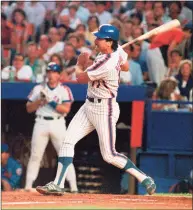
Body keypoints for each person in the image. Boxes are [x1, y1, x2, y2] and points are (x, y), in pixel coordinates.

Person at [36, 24, 156, 196]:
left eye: (100, 38)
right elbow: (126, 66)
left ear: (109, 42)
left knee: (109, 155)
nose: (96, 40)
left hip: (104, 108)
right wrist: (119, 55)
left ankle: (144, 178)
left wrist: (79, 64)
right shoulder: (113, 52)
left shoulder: (107, 63)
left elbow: (80, 78)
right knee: (67, 141)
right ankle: (58, 184)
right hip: (89, 105)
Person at [25, 62, 78, 193]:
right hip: (41, 122)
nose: (51, 74)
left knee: (65, 154)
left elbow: (65, 109)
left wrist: (50, 101)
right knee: (36, 155)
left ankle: (73, 187)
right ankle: (28, 185)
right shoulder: (38, 89)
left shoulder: (64, 89)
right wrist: (40, 101)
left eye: (54, 72)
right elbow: (28, 108)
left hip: (58, 123)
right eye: (49, 72)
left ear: (59, 74)